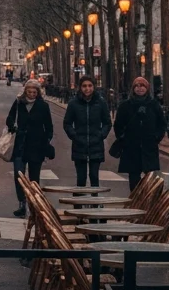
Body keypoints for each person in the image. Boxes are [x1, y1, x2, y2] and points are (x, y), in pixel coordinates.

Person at [6, 78, 54, 217]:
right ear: (25, 91)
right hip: (20, 145)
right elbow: (9, 118)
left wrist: (46, 140)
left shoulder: (43, 106)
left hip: (36, 146)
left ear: (38, 93)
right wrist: (13, 127)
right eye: (29, 91)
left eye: (34, 92)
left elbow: (49, 127)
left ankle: (34, 205)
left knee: (34, 178)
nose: (32, 94)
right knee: (19, 175)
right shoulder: (18, 103)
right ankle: (22, 203)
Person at [114, 76, 166, 192]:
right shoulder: (125, 106)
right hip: (131, 147)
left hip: (149, 146)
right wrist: (123, 138)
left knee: (151, 180)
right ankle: (135, 204)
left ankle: (150, 205)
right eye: (137, 86)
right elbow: (118, 125)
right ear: (133, 89)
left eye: (142, 86)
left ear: (147, 88)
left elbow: (162, 124)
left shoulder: (154, 105)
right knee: (134, 181)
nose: (139, 88)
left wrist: (156, 138)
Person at [63, 75, 113, 187]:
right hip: (79, 145)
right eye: (84, 86)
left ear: (94, 87)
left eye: (90, 86)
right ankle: (79, 203)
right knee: (81, 178)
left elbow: (107, 123)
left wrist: (101, 135)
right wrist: (74, 136)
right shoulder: (73, 103)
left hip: (96, 144)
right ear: (80, 87)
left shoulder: (100, 103)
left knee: (94, 177)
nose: (87, 89)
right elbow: (67, 123)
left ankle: (95, 202)